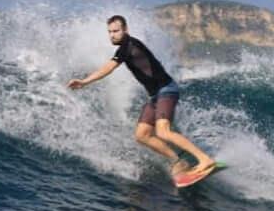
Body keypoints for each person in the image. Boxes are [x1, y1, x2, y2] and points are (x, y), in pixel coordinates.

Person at [67, 15, 216, 178]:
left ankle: (204, 159)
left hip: (166, 89)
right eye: (109, 32)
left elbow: (108, 68)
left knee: (163, 132)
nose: (112, 35)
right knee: (142, 135)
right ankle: (178, 161)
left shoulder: (129, 46)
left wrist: (84, 82)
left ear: (126, 30)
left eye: (116, 31)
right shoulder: (125, 48)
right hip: (155, 96)